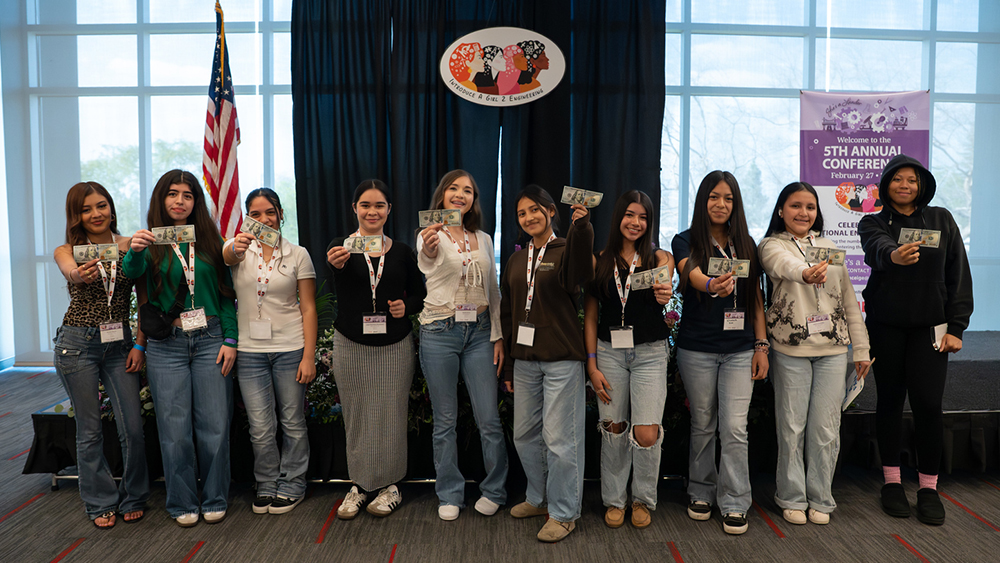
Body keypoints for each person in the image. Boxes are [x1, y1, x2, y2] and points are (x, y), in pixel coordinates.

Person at [859, 154, 973, 525]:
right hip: (886, 327)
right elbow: (877, 247)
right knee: (890, 401)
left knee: (928, 404)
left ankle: (928, 487)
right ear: (886, 185)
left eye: (912, 179)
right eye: (897, 179)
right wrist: (894, 255)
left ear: (922, 185)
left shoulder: (941, 219)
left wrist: (956, 327)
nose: (905, 185)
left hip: (931, 329)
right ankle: (892, 482)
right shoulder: (873, 222)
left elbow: (958, 273)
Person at [123, 169, 237, 527]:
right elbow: (132, 273)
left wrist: (231, 339)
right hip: (166, 345)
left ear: (195, 202)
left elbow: (226, 295)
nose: (179, 201)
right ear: (162, 199)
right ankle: (182, 501)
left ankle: (215, 497)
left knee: (215, 425)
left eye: (187, 195)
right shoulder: (149, 242)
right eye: (173, 194)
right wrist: (135, 250)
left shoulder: (212, 241)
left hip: (210, 339)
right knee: (174, 430)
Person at [759, 182, 871, 526]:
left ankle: (821, 497)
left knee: (826, 428)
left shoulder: (830, 247)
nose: (803, 213)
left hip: (833, 350)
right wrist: (805, 272)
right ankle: (791, 496)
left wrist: (861, 348)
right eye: (795, 206)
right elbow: (783, 265)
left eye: (810, 207)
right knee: (791, 427)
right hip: (790, 349)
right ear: (781, 210)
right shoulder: (771, 245)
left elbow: (848, 299)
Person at [671, 170, 769, 535]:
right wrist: (712, 284)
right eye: (714, 197)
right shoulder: (685, 240)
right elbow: (690, 273)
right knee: (703, 423)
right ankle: (701, 491)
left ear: (736, 204)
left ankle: (735, 500)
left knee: (734, 427)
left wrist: (761, 345)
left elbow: (755, 298)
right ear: (703, 200)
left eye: (728, 198)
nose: (721, 204)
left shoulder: (746, 244)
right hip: (697, 347)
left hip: (740, 349)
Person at [325, 180, 426, 520]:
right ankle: (360, 484)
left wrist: (405, 307)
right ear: (354, 208)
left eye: (379, 205)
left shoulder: (402, 252)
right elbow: (336, 277)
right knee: (356, 415)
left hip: (394, 345)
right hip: (350, 343)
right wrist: (336, 264)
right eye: (365, 205)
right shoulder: (340, 247)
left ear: (389, 210)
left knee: (392, 413)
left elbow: (419, 295)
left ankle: (391, 486)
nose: (372, 211)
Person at [52, 181, 149, 529]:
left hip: (120, 345)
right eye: (86, 209)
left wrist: (140, 344)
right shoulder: (68, 250)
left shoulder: (129, 245)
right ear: (76, 215)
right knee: (90, 430)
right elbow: (70, 270)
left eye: (101, 205)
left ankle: (134, 496)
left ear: (111, 207)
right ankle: (100, 501)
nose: (96, 214)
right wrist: (79, 274)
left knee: (132, 428)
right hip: (77, 344)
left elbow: (144, 299)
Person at [500, 185, 594, 543]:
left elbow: (578, 276)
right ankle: (539, 498)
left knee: (560, 439)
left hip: (561, 360)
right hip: (525, 361)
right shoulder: (515, 260)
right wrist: (510, 365)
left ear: (551, 211)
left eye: (535, 210)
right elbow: (509, 313)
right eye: (522, 213)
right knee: (524, 435)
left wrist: (582, 228)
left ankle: (564, 513)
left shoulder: (567, 249)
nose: (529, 218)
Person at [416, 170, 508, 521]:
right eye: (453, 188)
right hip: (440, 330)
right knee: (445, 421)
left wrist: (497, 335)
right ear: (442, 195)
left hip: (480, 333)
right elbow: (427, 262)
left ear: (473, 200)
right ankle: (450, 492)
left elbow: (493, 289)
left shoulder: (483, 238)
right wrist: (429, 246)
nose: (460, 194)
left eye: (467, 190)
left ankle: (495, 489)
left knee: (489, 419)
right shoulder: (430, 234)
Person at [583, 190, 674, 529]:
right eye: (630, 215)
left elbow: (665, 290)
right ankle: (615, 500)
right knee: (614, 428)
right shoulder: (599, 260)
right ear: (618, 217)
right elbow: (591, 317)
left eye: (643, 217)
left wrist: (665, 294)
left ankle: (642, 499)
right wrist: (591, 364)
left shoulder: (659, 258)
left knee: (646, 433)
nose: (636, 222)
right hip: (609, 353)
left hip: (649, 353)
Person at [225, 188, 317, 515]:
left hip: (290, 348)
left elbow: (308, 307)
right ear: (247, 218)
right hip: (250, 352)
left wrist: (309, 356)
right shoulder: (239, 250)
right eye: (255, 214)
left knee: (292, 421)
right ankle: (265, 482)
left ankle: (293, 482)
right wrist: (236, 244)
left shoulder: (298, 254)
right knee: (260, 426)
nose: (264, 219)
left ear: (280, 215)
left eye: (270, 212)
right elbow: (226, 256)